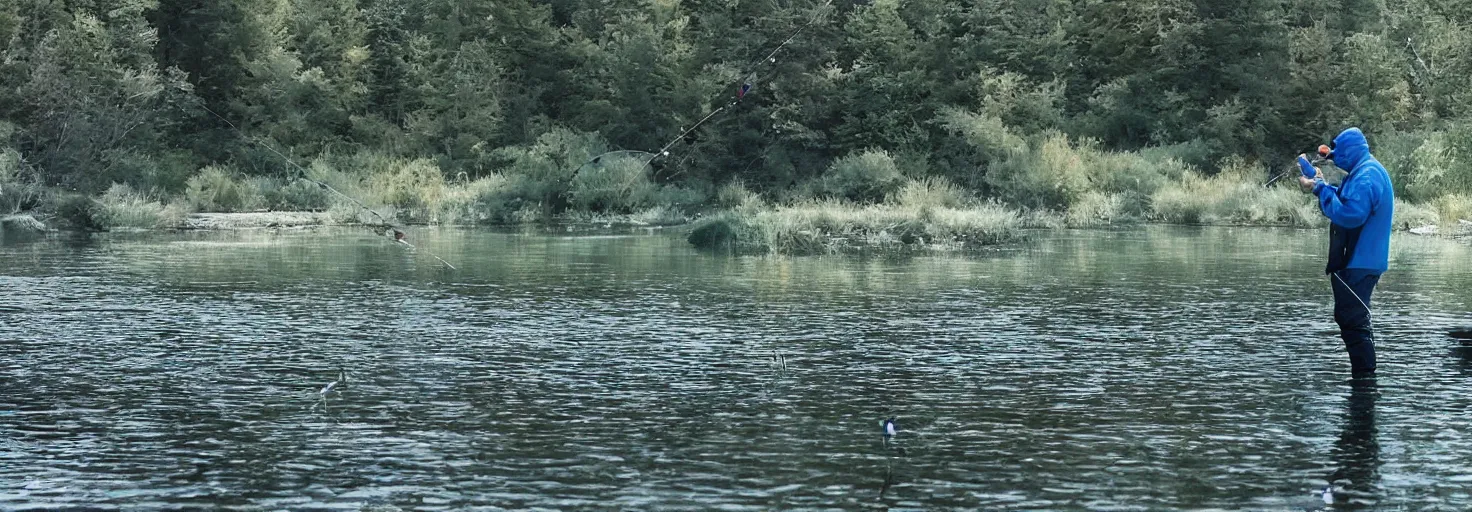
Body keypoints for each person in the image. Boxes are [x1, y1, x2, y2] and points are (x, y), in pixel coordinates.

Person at [1297, 127, 1394, 378]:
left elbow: (1350, 215)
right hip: (1361, 261)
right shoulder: (1363, 170)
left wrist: (1318, 188)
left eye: (1338, 151)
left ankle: (1365, 385)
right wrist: (1318, 178)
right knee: (1352, 320)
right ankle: (1364, 383)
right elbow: (1343, 200)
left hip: (1359, 261)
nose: (1334, 156)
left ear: (1351, 149)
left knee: (1353, 321)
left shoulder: (1367, 175)